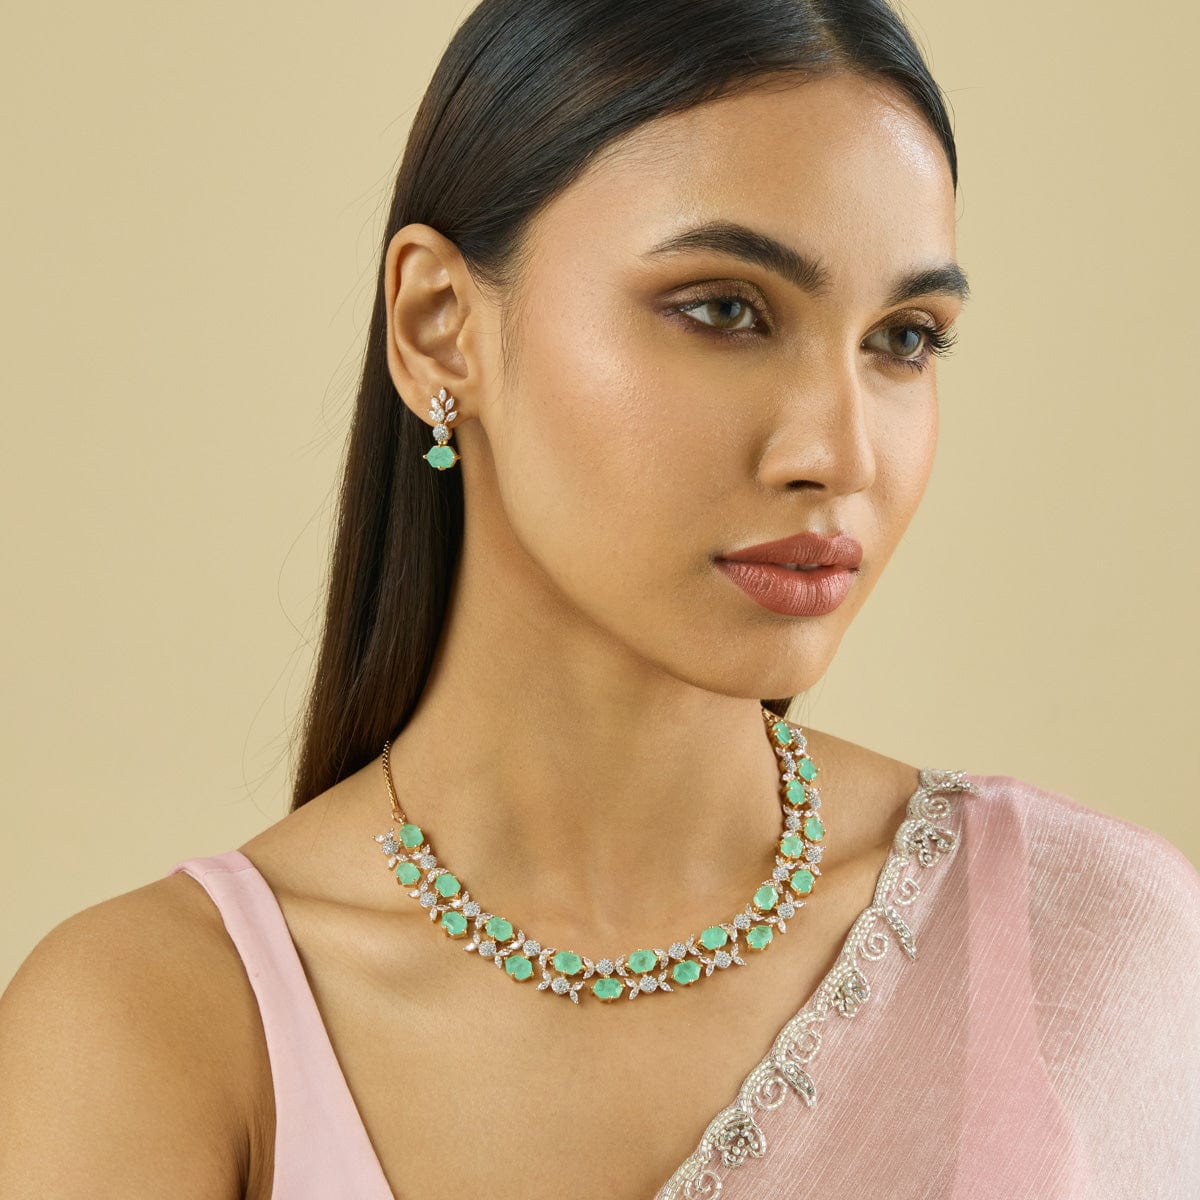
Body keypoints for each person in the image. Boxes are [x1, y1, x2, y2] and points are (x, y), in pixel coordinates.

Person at [3, 1, 1198, 1197]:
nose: (838, 453)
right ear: (439, 328)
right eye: (725, 310)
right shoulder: (158, 1025)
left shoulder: (1085, 945)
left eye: (905, 338)